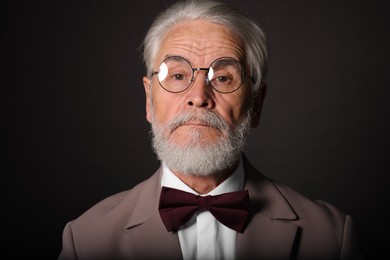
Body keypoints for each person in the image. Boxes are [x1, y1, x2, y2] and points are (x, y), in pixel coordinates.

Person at [58, 0, 363, 259]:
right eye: (177, 75)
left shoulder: (331, 237)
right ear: (149, 100)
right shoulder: (85, 240)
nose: (199, 97)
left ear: (256, 105)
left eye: (223, 78)